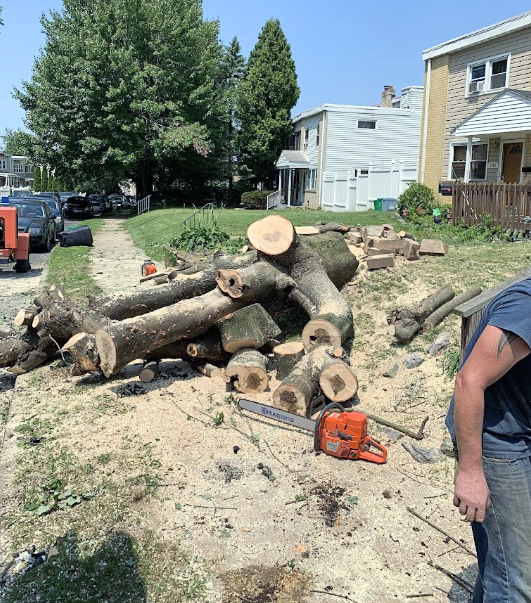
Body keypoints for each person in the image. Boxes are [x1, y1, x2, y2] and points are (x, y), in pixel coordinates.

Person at [446, 279, 531, 602]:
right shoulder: (526, 309)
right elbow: (468, 382)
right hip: (496, 441)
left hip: (519, 429)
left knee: (505, 561)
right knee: (517, 581)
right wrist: (470, 472)